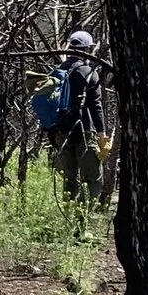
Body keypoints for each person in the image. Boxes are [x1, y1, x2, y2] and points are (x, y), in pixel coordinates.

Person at [52, 30, 110, 203]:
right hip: (84, 131)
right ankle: (80, 218)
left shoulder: (57, 72)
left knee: (69, 180)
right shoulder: (88, 72)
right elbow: (95, 105)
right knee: (93, 179)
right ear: (87, 49)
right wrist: (101, 134)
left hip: (61, 131)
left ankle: (68, 214)